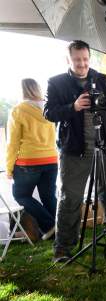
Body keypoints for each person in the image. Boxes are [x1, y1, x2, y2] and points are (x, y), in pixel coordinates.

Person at [44, 40, 106, 263]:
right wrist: (73, 106)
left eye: (85, 59)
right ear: (68, 60)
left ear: (89, 58)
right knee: (70, 198)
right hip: (74, 151)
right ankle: (63, 248)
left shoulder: (101, 79)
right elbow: (49, 113)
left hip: (104, 146)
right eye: (77, 60)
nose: (82, 64)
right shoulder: (57, 82)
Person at [6, 79, 57, 241]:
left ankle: (50, 225)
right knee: (48, 196)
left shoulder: (18, 110)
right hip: (51, 159)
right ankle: (63, 229)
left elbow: (12, 143)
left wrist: (9, 168)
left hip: (28, 162)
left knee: (20, 195)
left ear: (22, 91)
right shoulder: (49, 109)